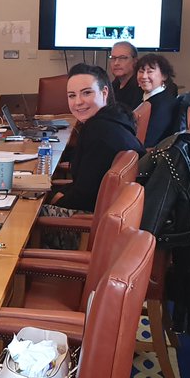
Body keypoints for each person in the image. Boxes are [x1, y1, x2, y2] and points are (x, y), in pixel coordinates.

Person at [39, 64, 143, 248]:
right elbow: (89, 183)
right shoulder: (113, 121)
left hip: (89, 226)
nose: (78, 102)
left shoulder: (99, 131)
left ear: (104, 92)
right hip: (106, 218)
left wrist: (56, 199)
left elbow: (85, 195)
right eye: (72, 95)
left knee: (22, 214)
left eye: (86, 93)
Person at [134, 52, 179, 148]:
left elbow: (149, 141)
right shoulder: (143, 98)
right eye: (141, 71)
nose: (144, 76)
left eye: (150, 71)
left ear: (164, 76)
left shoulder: (164, 104)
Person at [108, 41, 142, 109]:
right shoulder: (114, 85)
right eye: (113, 58)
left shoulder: (140, 88)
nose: (116, 63)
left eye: (122, 58)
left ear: (135, 61)